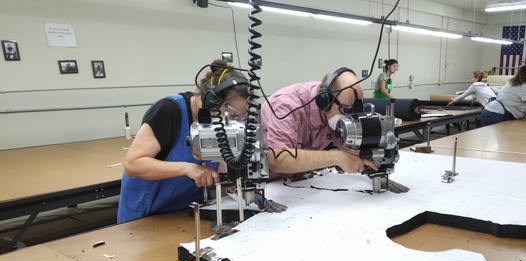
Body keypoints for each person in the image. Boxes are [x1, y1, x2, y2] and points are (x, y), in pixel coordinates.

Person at [117, 59, 249, 223]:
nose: (235, 121)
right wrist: (187, 168)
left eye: (240, 116)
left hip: (186, 213)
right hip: (146, 214)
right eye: (233, 113)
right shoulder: (169, 111)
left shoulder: (222, 122)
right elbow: (133, 164)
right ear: (211, 100)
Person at [260, 67, 378, 181]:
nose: (348, 119)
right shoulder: (286, 106)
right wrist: (338, 157)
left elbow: (348, 147)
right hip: (269, 183)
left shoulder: (334, 108)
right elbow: (277, 158)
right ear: (324, 101)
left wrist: (369, 156)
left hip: (296, 181)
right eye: (345, 110)